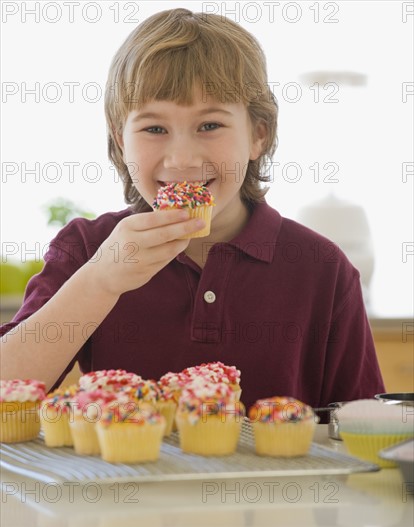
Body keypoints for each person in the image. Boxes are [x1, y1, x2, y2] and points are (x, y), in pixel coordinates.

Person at [0, 8, 385, 411]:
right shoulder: (86, 249)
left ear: (257, 135)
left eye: (209, 126)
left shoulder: (323, 268)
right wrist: (99, 282)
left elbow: (363, 429)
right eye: (154, 129)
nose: (181, 159)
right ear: (121, 140)